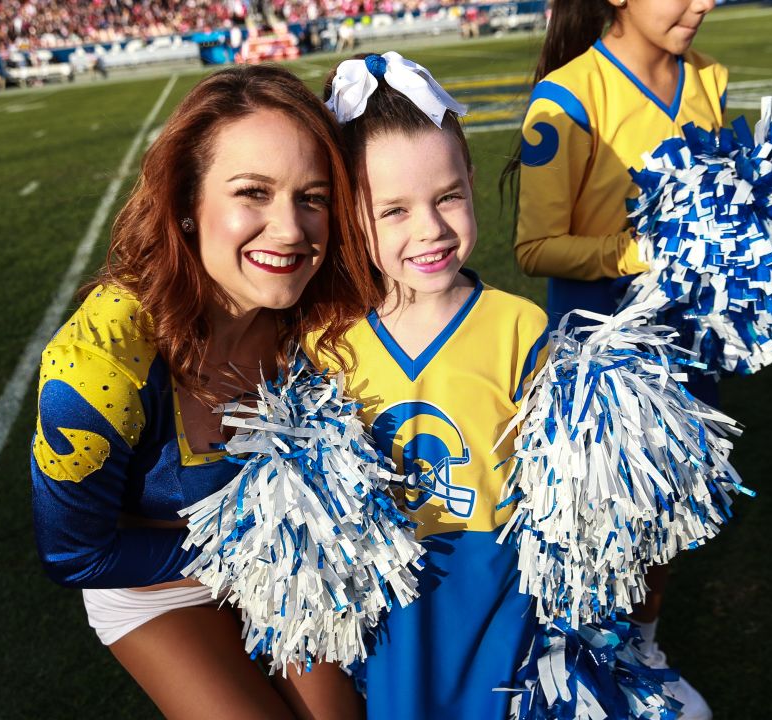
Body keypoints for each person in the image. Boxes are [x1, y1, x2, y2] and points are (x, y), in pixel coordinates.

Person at [29, 65, 381, 720]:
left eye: (313, 197)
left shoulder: (328, 312)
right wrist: (251, 542)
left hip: (281, 556)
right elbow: (74, 551)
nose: (290, 229)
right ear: (187, 204)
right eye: (253, 192)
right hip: (147, 577)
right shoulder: (98, 364)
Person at [502, 0, 728, 717]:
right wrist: (639, 251)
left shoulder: (707, 76)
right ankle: (581, 679)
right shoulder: (565, 98)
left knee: (668, 513)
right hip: (604, 364)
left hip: (686, 345)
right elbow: (534, 247)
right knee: (599, 532)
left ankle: (643, 649)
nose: (704, 4)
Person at [311, 52, 550, 719]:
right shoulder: (323, 342)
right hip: (386, 628)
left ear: (471, 181)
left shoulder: (520, 327)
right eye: (393, 211)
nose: (431, 229)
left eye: (447, 196)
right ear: (351, 215)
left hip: (500, 617)